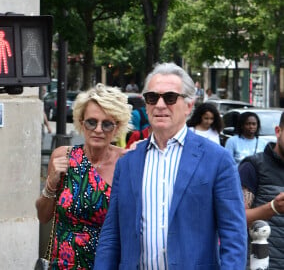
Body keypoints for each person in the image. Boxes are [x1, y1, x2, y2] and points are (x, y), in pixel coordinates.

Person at [94, 62, 247, 269]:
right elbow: (112, 234)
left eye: (170, 98)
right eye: (152, 97)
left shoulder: (217, 160)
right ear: (146, 104)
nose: (160, 105)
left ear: (189, 106)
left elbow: (233, 235)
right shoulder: (128, 163)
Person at [35, 83, 131, 269]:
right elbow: (43, 216)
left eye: (107, 124)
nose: (98, 129)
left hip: (105, 264)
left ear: (117, 127)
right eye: (91, 122)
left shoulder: (126, 162)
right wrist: (51, 184)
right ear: (81, 122)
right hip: (62, 264)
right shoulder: (63, 156)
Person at [239, 112, 284, 270]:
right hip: (262, 262)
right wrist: (272, 208)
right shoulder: (252, 167)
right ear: (278, 131)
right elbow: (236, 219)